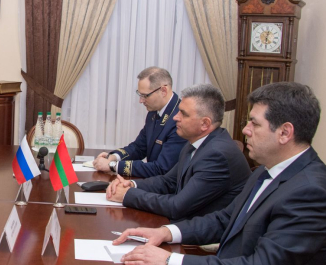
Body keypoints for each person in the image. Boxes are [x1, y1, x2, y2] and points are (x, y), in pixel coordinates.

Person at [113, 82, 326, 265]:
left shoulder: (311, 193)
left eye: (254, 123)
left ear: (285, 133)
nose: (245, 130)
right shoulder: (267, 170)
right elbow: (225, 220)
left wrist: (170, 262)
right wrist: (166, 232)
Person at [106, 84, 250, 221]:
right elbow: (168, 181)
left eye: (183, 114)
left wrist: (128, 195)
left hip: (201, 231)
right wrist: (131, 185)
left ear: (205, 124)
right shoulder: (195, 142)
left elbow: (177, 206)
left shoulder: (217, 155)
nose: (175, 117)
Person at [93, 67, 187, 178]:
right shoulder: (153, 113)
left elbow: (161, 168)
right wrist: (115, 156)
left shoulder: (180, 119)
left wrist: (113, 166)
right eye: (140, 95)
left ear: (163, 91)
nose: (141, 100)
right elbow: (139, 147)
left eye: (145, 95)